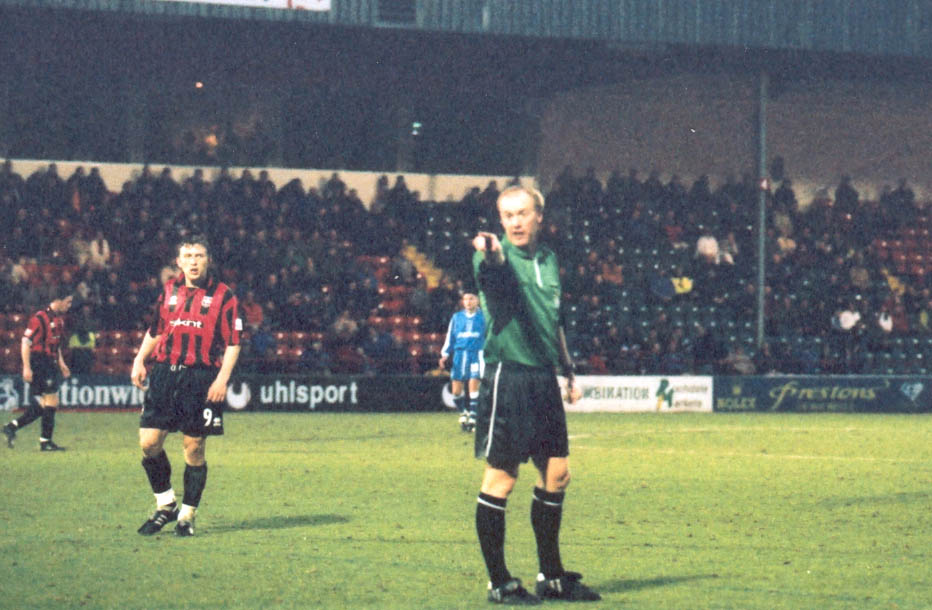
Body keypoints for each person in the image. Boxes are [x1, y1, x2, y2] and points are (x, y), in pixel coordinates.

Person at [470, 185, 600, 604]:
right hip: (508, 377)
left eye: (523, 213)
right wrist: (491, 251)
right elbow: (495, 267)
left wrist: (568, 370)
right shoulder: (491, 256)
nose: (515, 222)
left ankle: (551, 576)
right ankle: (500, 582)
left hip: (543, 378)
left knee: (557, 474)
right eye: (507, 216)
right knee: (502, 479)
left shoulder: (549, 259)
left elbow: (555, 320)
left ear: (539, 216)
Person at [130, 234, 241, 537]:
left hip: (201, 377)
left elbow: (233, 343)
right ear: (178, 262)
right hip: (165, 373)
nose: (194, 261)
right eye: (188, 256)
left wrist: (221, 379)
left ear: (208, 260)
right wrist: (140, 359)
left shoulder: (224, 295)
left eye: (199, 256)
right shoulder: (168, 291)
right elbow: (156, 330)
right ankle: (166, 504)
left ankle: (187, 515)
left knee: (194, 448)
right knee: (149, 443)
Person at [3, 291, 74, 451]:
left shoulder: (59, 321)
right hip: (39, 362)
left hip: (50, 362)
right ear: (58, 300)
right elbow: (25, 343)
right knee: (51, 401)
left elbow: (56, 345)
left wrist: (62, 364)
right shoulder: (39, 319)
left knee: (43, 406)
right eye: (68, 302)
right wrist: (26, 367)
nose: (69, 306)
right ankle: (45, 442)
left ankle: (12, 427)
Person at [439, 291, 486, 431]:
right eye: (465, 299)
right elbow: (450, 337)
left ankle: (473, 417)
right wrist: (445, 354)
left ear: (477, 300)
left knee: (473, 384)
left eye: (471, 299)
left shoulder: (484, 317)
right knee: (456, 391)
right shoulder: (457, 317)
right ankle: (464, 412)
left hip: (477, 353)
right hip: (459, 355)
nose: (468, 302)